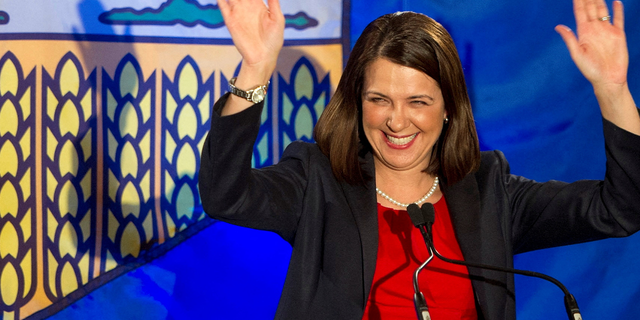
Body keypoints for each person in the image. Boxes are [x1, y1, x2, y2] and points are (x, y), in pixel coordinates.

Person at [199, 0, 640, 318]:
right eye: (379, 99)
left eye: (418, 101)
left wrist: (613, 90)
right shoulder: (318, 179)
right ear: (358, 102)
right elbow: (226, 196)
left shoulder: (490, 189)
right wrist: (255, 70)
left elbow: (621, 209)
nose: (396, 121)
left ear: (449, 108)